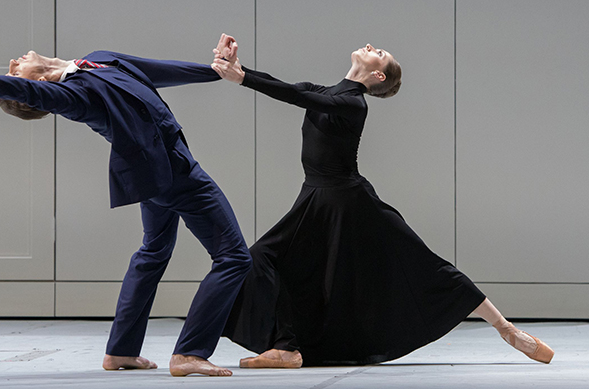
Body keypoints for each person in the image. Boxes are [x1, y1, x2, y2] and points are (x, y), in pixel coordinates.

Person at [210, 33, 554, 368]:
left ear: (378, 75)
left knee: (421, 262)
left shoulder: (352, 103)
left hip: (351, 202)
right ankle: (287, 347)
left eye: (381, 53)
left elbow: (296, 98)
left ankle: (506, 330)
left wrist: (241, 79)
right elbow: (289, 88)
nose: (372, 46)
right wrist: (240, 70)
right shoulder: (325, 91)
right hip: (314, 199)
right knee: (262, 259)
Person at [0, 50, 252, 377]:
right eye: (14, 71)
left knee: (154, 251)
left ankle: (121, 350)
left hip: (156, 173)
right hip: (177, 175)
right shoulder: (74, 97)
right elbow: (22, 89)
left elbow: (155, 70)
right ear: (38, 88)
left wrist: (218, 72)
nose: (13, 61)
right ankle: (190, 353)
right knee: (234, 257)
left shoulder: (98, 59)